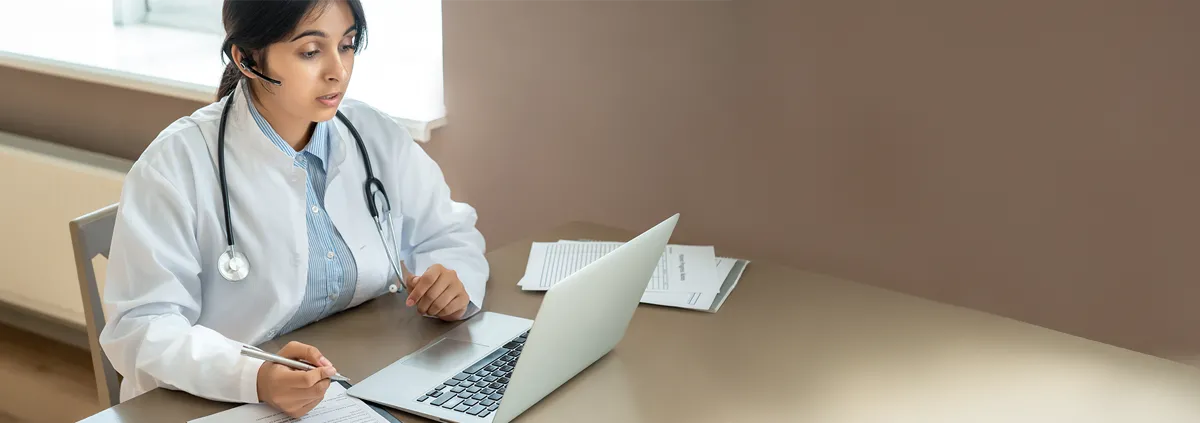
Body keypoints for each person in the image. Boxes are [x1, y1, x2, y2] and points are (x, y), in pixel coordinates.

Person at [98, 0, 488, 417]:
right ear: (247, 59)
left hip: (359, 383)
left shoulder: (375, 135)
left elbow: (449, 233)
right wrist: (253, 376)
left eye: (348, 45)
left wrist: (452, 281)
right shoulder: (175, 165)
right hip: (215, 404)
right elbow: (142, 326)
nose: (337, 70)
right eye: (310, 52)